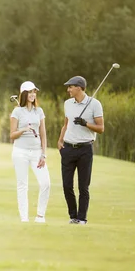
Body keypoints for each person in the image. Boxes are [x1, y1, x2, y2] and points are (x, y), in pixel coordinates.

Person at [57, 76, 104, 225]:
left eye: (70, 87)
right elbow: (66, 124)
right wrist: (60, 141)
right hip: (68, 148)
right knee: (66, 185)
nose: (68, 90)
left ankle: (81, 218)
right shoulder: (68, 104)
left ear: (79, 87)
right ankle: (73, 216)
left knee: (83, 186)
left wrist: (86, 124)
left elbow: (101, 128)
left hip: (85, 149)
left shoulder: (95, 104)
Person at [9, 81, 50, 223]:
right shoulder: (17, 112)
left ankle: (40, 216)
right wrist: (23, 130)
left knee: (46, 183)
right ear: (24, 94)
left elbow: (43, 134)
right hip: (20, 152)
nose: (33, 94)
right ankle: (24, 218)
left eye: (34, 92)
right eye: (30, 92)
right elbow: (12, 135)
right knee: (22, 185)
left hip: (37, 152)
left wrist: (43, 154)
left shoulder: (39, 111)